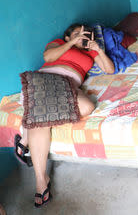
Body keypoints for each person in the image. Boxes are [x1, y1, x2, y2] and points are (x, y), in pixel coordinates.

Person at [14, 23, 114, 207]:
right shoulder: (58, 43)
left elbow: (109, 69)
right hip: (44, 81)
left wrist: (98, 50)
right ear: (67, 37)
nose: (82, 36)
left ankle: (27, 130)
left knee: (87, 106)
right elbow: (48, 56)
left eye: (85, 35)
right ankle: (40, 181)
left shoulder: (90, 52)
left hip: (68, 86)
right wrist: (71, 43)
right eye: (77, 33)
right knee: (43, 119)